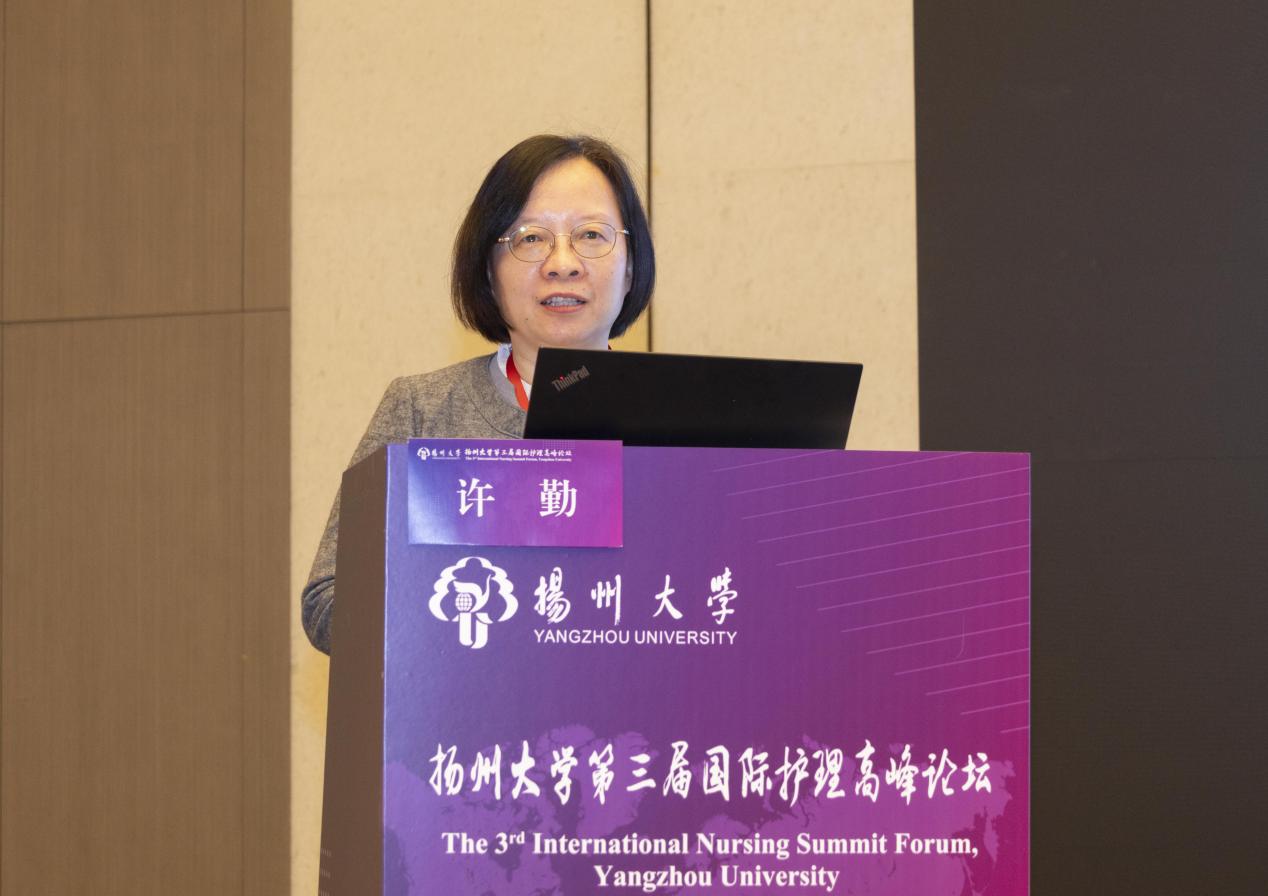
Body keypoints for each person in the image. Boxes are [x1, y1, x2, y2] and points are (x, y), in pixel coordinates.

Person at [301, 134, 656, 653]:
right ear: (489, 273)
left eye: (591, 235)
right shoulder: (423, 411)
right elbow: (328, 606)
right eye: (530, 239)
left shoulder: (691, 421)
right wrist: (462, 606)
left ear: (630, 266)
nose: (562, 262)